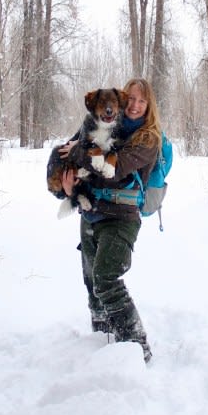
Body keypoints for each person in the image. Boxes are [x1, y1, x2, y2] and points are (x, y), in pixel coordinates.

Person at [60, 77, 162, 363]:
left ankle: (138, 348)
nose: (134, 105)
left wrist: (80, 152)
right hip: (91, 212)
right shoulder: (99, 123)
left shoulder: (147, 139)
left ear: (149, 105)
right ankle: (101, 341)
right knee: (92, 282)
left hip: (121, 217)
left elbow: (112, 171)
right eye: (130, 98)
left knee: (106, 279)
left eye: (142, 101)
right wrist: (65, 189)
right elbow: (66, 155)